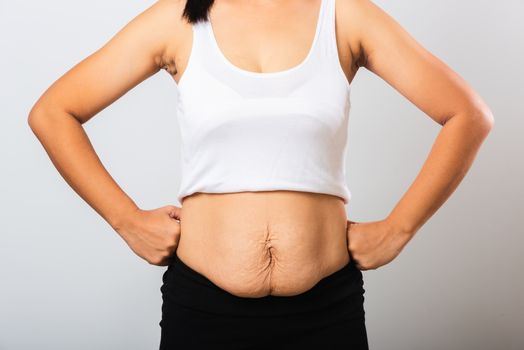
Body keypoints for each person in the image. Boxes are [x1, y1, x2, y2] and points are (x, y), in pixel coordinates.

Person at [27, 0, 494, 348]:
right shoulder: (179, 21)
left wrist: (400, 228)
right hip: (203, 306)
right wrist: (125, 219)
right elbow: (53, 112)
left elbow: (467, 115)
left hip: (327, 308)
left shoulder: (345, 15)